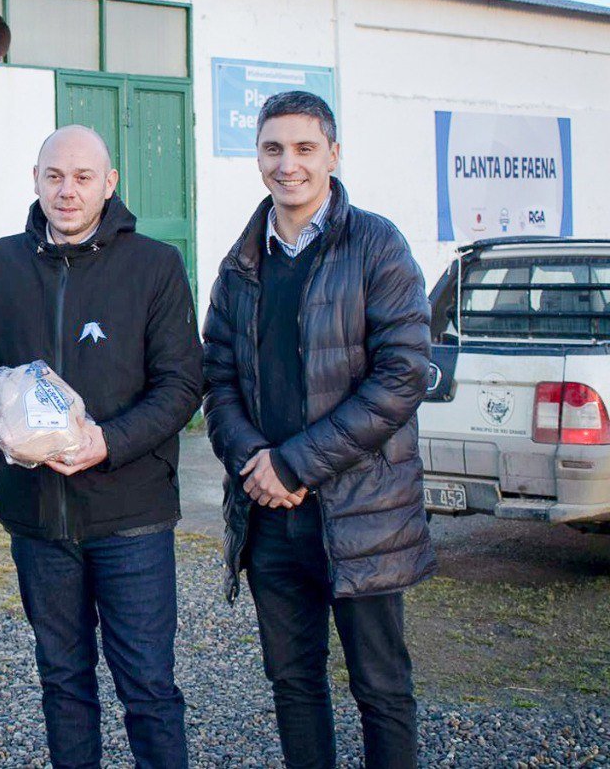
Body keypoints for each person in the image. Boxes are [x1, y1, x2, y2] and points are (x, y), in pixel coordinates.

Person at [0, 125, 203, 768]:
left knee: (147, 685)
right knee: (63, 681)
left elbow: (182, 385)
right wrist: (8, 414)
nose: (67, 191)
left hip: (132, 517)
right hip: (38, 516)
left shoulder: (154, 265)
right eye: (54, 176)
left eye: (83, 177)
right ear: (35, 180)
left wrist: (107, 442)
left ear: (109, 184)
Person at [202, 90, 435, 769]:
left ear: (334, 153)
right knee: (293, 686)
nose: (288, 164)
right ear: (258, 157)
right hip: (271, 521)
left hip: (363, 516)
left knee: (382, 689)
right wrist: (255, 462)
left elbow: (403, 377)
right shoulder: (241, 264)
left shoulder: (377, 245)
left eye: (305, 148)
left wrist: (295, 465)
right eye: (273, 148)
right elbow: (217, 382)